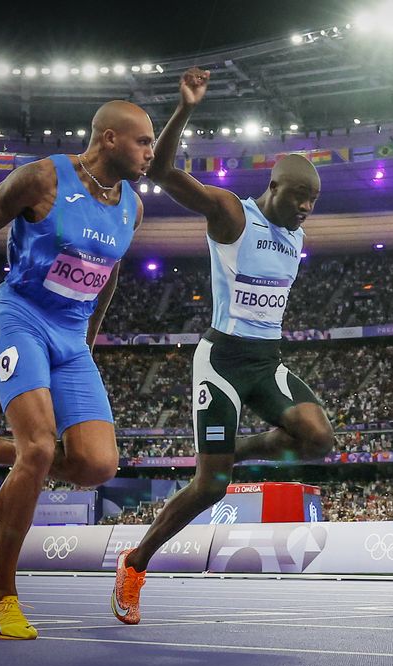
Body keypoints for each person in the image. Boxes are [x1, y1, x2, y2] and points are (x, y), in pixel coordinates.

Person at [0, 100, 154, 639]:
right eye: (143, 142)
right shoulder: (42, 179)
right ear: (109, 138)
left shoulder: (132, 208)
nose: (150, 154)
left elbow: (106, 274)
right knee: (40, 448)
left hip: (70, 337)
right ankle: (1, 597)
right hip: (19, 317)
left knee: (96, 466)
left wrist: (86, 341)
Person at [110, 67, 334, 625]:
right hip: (223, 361)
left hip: (266, 361)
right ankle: (135, 563)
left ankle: (242, 443)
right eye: (299, 197)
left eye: (314, 201)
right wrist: (185, 108)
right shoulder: (233, 213)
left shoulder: (297, 234)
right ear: (273, 187)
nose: (307, 209)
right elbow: (158, 170)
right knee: (212, 484)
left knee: (319, 440)